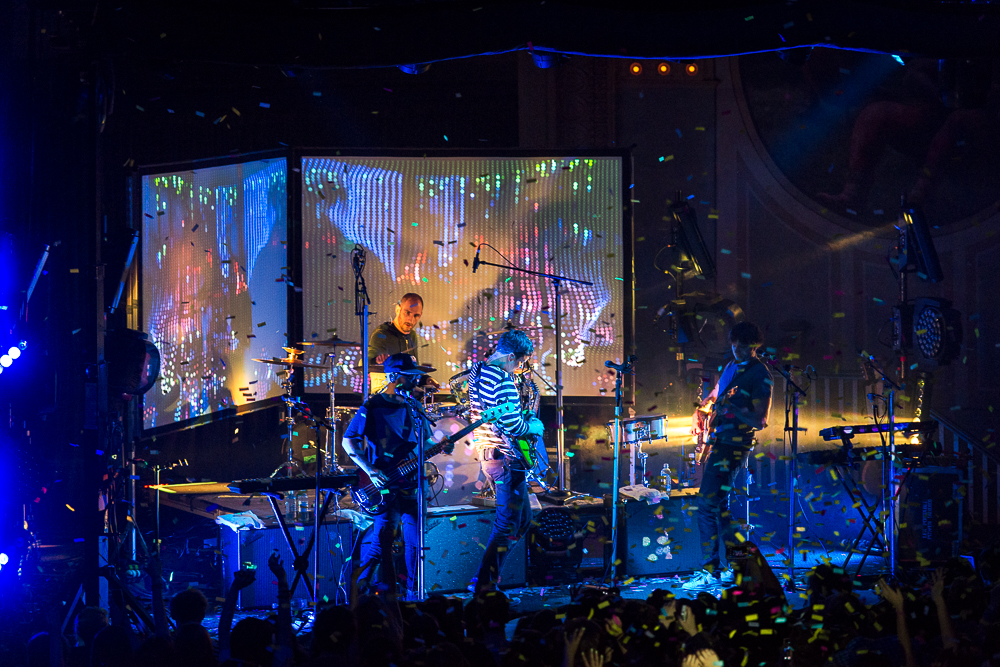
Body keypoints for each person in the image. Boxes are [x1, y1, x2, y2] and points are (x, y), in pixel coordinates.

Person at [342, 353, 444, 600]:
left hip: (412, 481)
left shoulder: (414, 406)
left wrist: (442, 444)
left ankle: (413, 594)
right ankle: (357, 594)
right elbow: (348, 442)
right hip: (384, 484)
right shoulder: (373, 406)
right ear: (395, 377)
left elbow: (426, 441)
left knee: (415, 540)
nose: (416, 380)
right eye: (410, 376)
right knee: (381, 543)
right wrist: (370, 470)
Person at [684, 321, 773, 590]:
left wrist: (732, 413)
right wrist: (701, 409)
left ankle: (711, 570)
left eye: (743, 346)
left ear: (755, 346)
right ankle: (740, 566)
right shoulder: (732, 365)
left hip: (734, 446)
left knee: (706, 505)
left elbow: (761, 419)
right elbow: (717, 393)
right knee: (720, 510)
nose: (737, 349)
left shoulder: (760, 374)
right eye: (734, 344)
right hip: (719, 441)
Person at [467, 329, 545, 594]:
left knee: (523, 520)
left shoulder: (478, 372)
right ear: (510, 356)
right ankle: (483, 587)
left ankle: (483, 580)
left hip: (491, 454)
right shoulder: (501, 377)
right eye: (520, 362)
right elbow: (511, 423)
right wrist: (532, 427)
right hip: (505, 458)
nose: (520, 368)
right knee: (507, 525)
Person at [369, 293, 424, 365]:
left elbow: (415, 368)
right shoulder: (381, 334)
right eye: (407, 312)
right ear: (398, 309)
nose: (411, 320)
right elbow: (365, 364)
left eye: (416, 315)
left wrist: (426, 377)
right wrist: (376, 360)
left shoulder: (412, 335)